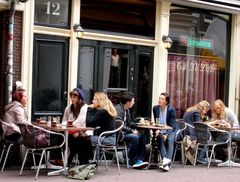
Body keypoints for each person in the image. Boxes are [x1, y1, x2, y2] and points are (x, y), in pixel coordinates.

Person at [75, 92, 117, 164]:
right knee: (80, 140)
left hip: (107, 139)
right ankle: (84, 163)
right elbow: (92, 124)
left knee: (80, 140)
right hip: (108, 137)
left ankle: (83, 163)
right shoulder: (104, 111)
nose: (92, 101)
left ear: (100, 101)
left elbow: (89, 123)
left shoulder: (102, 112)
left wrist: (89, 109)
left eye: (94, 99)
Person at [115, 91, 148, 169]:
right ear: (128, 102)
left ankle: (140, 160)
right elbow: (119, 125)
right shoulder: (118, 109)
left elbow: (129, 123)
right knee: (135, 137)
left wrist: (139, 124)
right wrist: (132, 131)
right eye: (133, 101)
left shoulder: (126, 109)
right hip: (119, 134)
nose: (134, 102)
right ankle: (132, 161)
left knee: (142, 136)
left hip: (125, 133)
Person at [61, 88, 88, 166]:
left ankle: (67, 162)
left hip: (83, 132)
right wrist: (68, 125)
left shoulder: (84, 108)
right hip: (72, 132)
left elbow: (78, 123)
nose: (72, 99)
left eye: (74, 97)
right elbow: (63, 121)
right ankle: (80, 163)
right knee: (72, 139)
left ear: (79, 98)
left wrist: (68, 125)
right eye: (71, 97)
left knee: (77, 140)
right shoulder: (69, 107)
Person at [153, 93, 178, 172]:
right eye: (159, 98)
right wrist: (157, 130)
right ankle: (165, 162)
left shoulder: (171, 109)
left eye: (162, 99)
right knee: (159, 137)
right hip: (161, 130)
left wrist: (166, 134)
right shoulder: (155, 108)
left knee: (170, 140)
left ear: (166, 102)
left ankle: (167, 164)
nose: (159, 100)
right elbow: (156, 122)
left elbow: (173, 125)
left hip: (172, 130)